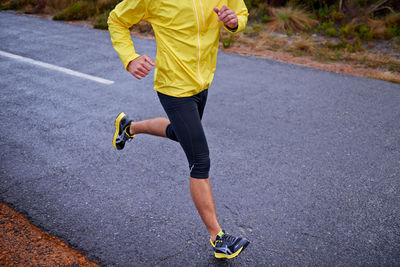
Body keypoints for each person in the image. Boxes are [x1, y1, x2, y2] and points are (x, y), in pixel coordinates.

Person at [108, 0, 249, 259]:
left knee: (178, 133)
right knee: (199, 160)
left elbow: (240, 11)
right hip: (173, 88)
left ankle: (129, 127)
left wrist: (234, 22)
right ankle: (218, 237)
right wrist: (130, 58)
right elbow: (116, 20)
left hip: (203, 83)